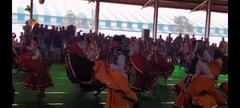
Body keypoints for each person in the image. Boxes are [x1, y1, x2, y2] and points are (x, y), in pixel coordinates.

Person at [94, 35, 138, 108]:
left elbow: (120, 66)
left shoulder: (119, 51)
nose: (111, 43)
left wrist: (108, 66)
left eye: (113, 41)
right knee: (116, 97)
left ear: (117, 42)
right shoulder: (118, 50)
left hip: (119, 77)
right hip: (116, 77)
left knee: (118, 97)